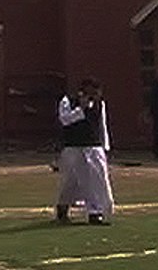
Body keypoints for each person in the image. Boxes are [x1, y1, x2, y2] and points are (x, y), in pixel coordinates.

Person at [55, 78, 115, 225]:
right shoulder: (67, 101)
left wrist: (104, 146)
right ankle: (63, 205)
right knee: (70, 181)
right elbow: (65, 120)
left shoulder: (99, 103)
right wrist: (80, 109)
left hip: (93, 146)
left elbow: (102, 124)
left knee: (97, 180)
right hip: (73, 147)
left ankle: (95, 212)